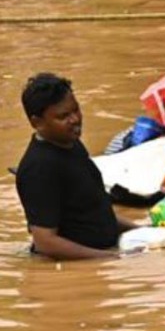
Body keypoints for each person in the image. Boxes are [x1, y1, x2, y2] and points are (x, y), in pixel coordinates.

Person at [15, 73, 138, 260]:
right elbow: (46, 242)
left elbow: (94, 211)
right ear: (37, 122)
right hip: (68, 271)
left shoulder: (71, 143)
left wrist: (143, 230)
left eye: (75, 110)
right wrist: (110, 258)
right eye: (63, 116)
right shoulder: (38, 169)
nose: (74, 120)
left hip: (103, 258)